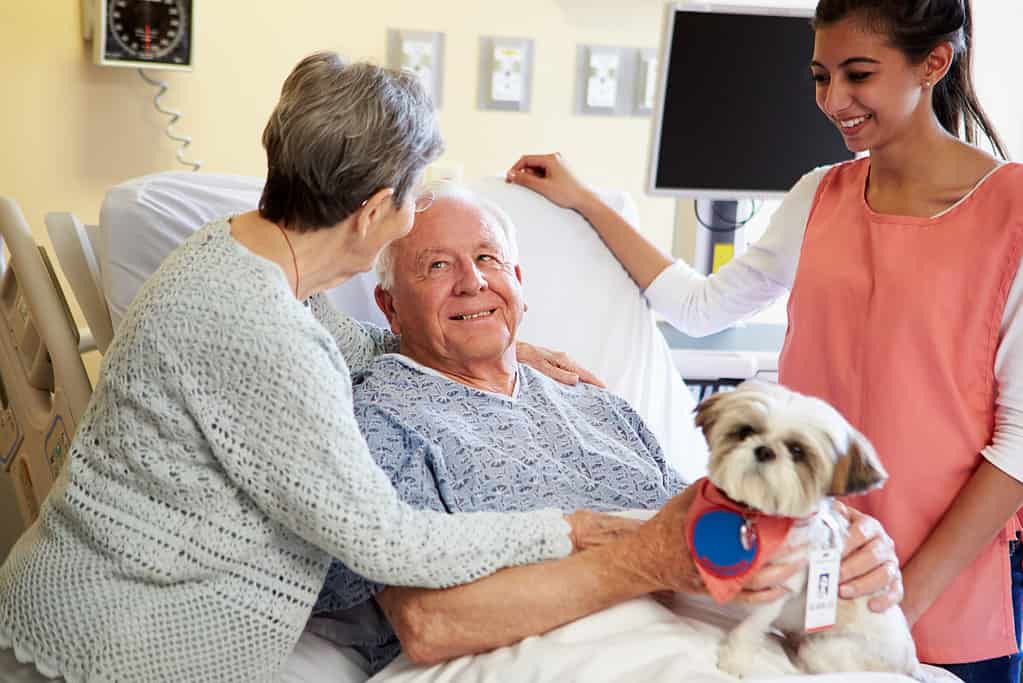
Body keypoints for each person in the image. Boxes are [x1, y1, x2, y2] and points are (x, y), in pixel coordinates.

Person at [0, 52, 626, 683]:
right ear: (373, 212)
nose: (414, 219)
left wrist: (475, 343)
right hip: (105, 647)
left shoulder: (247, 255)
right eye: (413, 203)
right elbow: (385, 541)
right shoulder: (264, 334)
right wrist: (563, 530)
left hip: (91, 602)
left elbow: (348, 342)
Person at [506, 1, 1023, 680]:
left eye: (857, 74)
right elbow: (699, 305)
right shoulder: (818, 195)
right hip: (800, 576)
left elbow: (1017, 443)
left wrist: (897, 601)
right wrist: (587, 201)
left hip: (945, 589)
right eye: (819, 76)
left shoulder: (1009, 213)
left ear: (933, 63)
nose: (833, 100)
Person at [309, 185, 905, 674]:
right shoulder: (381, 416)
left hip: (724, 639)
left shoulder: (597, 403)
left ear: (517, 279)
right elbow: (429, 624)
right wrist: (641, 564)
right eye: (437, 266)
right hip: (547, 653)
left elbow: (706, 530)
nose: (473, 282)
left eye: (488, 259)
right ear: (388, 306)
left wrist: (836, 542)